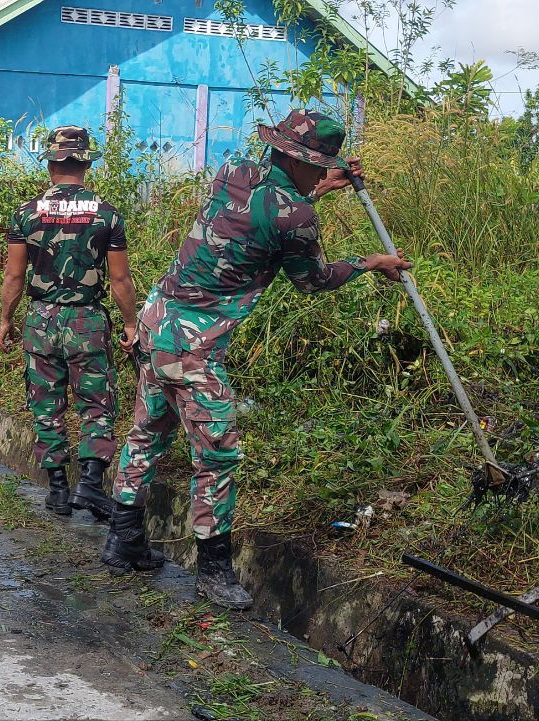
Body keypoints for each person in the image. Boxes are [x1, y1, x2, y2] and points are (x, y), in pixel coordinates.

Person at [108, 110, 411, 608]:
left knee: (148, 432)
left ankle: (122, 541)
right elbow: (313, 278)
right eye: (318, 166)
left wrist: (322, 186)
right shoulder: (296, 216)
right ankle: (213, 570)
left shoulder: (233, 172)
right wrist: (370, 263)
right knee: (219, 452)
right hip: (193, 343)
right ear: (299, 162)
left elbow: (275, 204)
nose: (320, 174)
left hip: (156, 320)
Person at [0, 126, 139, 526]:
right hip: (87, 321)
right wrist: (131, 323)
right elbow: (119, 280)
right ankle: (91, 484)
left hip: (40, 320)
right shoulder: (107, 214)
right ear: (86, 162)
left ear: (50, 162)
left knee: (45, 405)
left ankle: (59, 490)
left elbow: (14, 277)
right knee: (96, 403)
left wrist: (6, 320)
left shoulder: (26, 213)